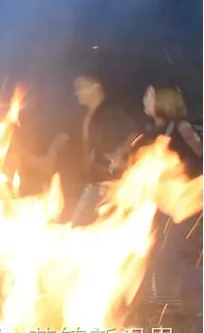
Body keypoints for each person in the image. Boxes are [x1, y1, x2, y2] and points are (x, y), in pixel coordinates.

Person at [136, 85, 202, 313]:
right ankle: (166, 296)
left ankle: (190, 298)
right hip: (164, 201)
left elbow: (200, 155)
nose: (145, 98)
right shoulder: (153, 130)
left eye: (150, 94)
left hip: (186, 201)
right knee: (160, 249)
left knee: (172, 251)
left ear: (163, 100)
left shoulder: (181, 128)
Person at [52, 70, 139, 225]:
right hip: (92, 179)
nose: (77, 92)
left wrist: (120, 153)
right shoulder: (86, 115)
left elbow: (134, 133)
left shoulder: (112, 111)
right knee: (87, 224)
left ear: (95, 87)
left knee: (82, 224)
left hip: (109, 181)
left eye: (81, 87)